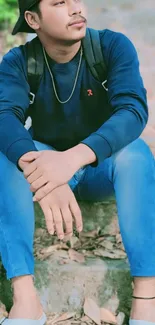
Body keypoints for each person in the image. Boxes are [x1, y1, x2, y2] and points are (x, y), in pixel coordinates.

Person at [0, 0, 155, 324]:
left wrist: (70, 160)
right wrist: (41, 171)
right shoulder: (19, 61)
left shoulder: (112, 46)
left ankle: (146, 295)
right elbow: (4, 117)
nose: (75, 8)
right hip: (50, 163)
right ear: (32, 19)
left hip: (103, 167)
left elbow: (133, 110)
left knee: (137, 155)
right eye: (59, 2)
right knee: (5, 158)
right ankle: (26, 299)